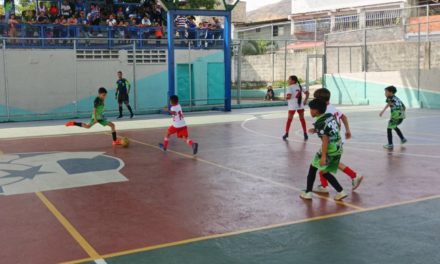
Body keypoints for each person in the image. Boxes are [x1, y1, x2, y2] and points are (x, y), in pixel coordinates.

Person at [311, 88, 364, 193]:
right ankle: (326, 184)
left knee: (323, 161)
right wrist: (347, 130)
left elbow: (329, 126)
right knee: (329, 162)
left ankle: (352, 176)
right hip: (337, 139)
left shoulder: (325, 110)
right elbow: (343, 117)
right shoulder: (331, 107)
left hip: (331, 140)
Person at [300, 99, 347, 201]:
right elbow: (337, 126)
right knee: (325, 171)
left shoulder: (319, 122)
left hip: (329, 150)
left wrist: (324, 156)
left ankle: (308, 192)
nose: (310, 111)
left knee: (313, 168)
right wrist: (317, 130)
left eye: (311, 109)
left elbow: (325, 140)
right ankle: (340, 191)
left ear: (316, 111)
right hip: (338, 148)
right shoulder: (330, 116)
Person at [283, 75, 309, 141]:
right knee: (302, 119)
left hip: (292, 106)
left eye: (289, 79)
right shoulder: (300, 86)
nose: (288, 80)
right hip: (300, 105)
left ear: (293, 81)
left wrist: (285, 98)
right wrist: (305, 100)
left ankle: (286, 133)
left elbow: (289, 96)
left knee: (289, 120)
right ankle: (305, 133)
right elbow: (307, 93)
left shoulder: (289, 87)